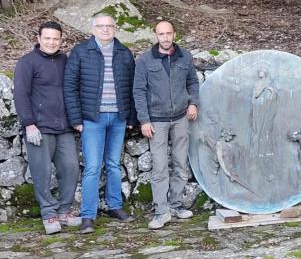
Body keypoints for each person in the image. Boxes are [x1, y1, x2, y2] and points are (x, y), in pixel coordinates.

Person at [64, 13, 136, 234]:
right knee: (93, 167)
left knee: (113, 164)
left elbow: (133, 87)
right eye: (100, 26)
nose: (105, 29)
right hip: (92, 119)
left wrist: (131, 117)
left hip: (118, 118)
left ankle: (115, 206)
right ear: (93, 29)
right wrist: (76, 119)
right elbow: (70, 86)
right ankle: (88, 216)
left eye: (109, 26)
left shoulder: (124, 53)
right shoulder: (81, 52)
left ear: (115, 28)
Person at [13, 21, 81, 234]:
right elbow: (20, 94)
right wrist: (29, 123)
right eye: (47, 38)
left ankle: (64, 211)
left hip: (64, 127)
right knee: (41, 172)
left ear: (61, 40)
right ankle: (49, 213)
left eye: (55, 38)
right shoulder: (27, 62)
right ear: (39, 38)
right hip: (39, 128)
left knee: (71, 168)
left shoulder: (64, 60)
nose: (52, 42)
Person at [133, 21, 199, 230]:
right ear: (156, 35)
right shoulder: (145, 60)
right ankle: (161, 212)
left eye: (168, 33)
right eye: (161, 34)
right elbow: (139, 91)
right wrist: (144, 120)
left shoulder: (185, 56)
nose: (165, 37)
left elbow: (192, 82)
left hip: (181, 118)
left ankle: (176, 205)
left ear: (174, 34)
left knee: (180, 163)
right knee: (160, 167)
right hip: (157, 121)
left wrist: (193, 103)